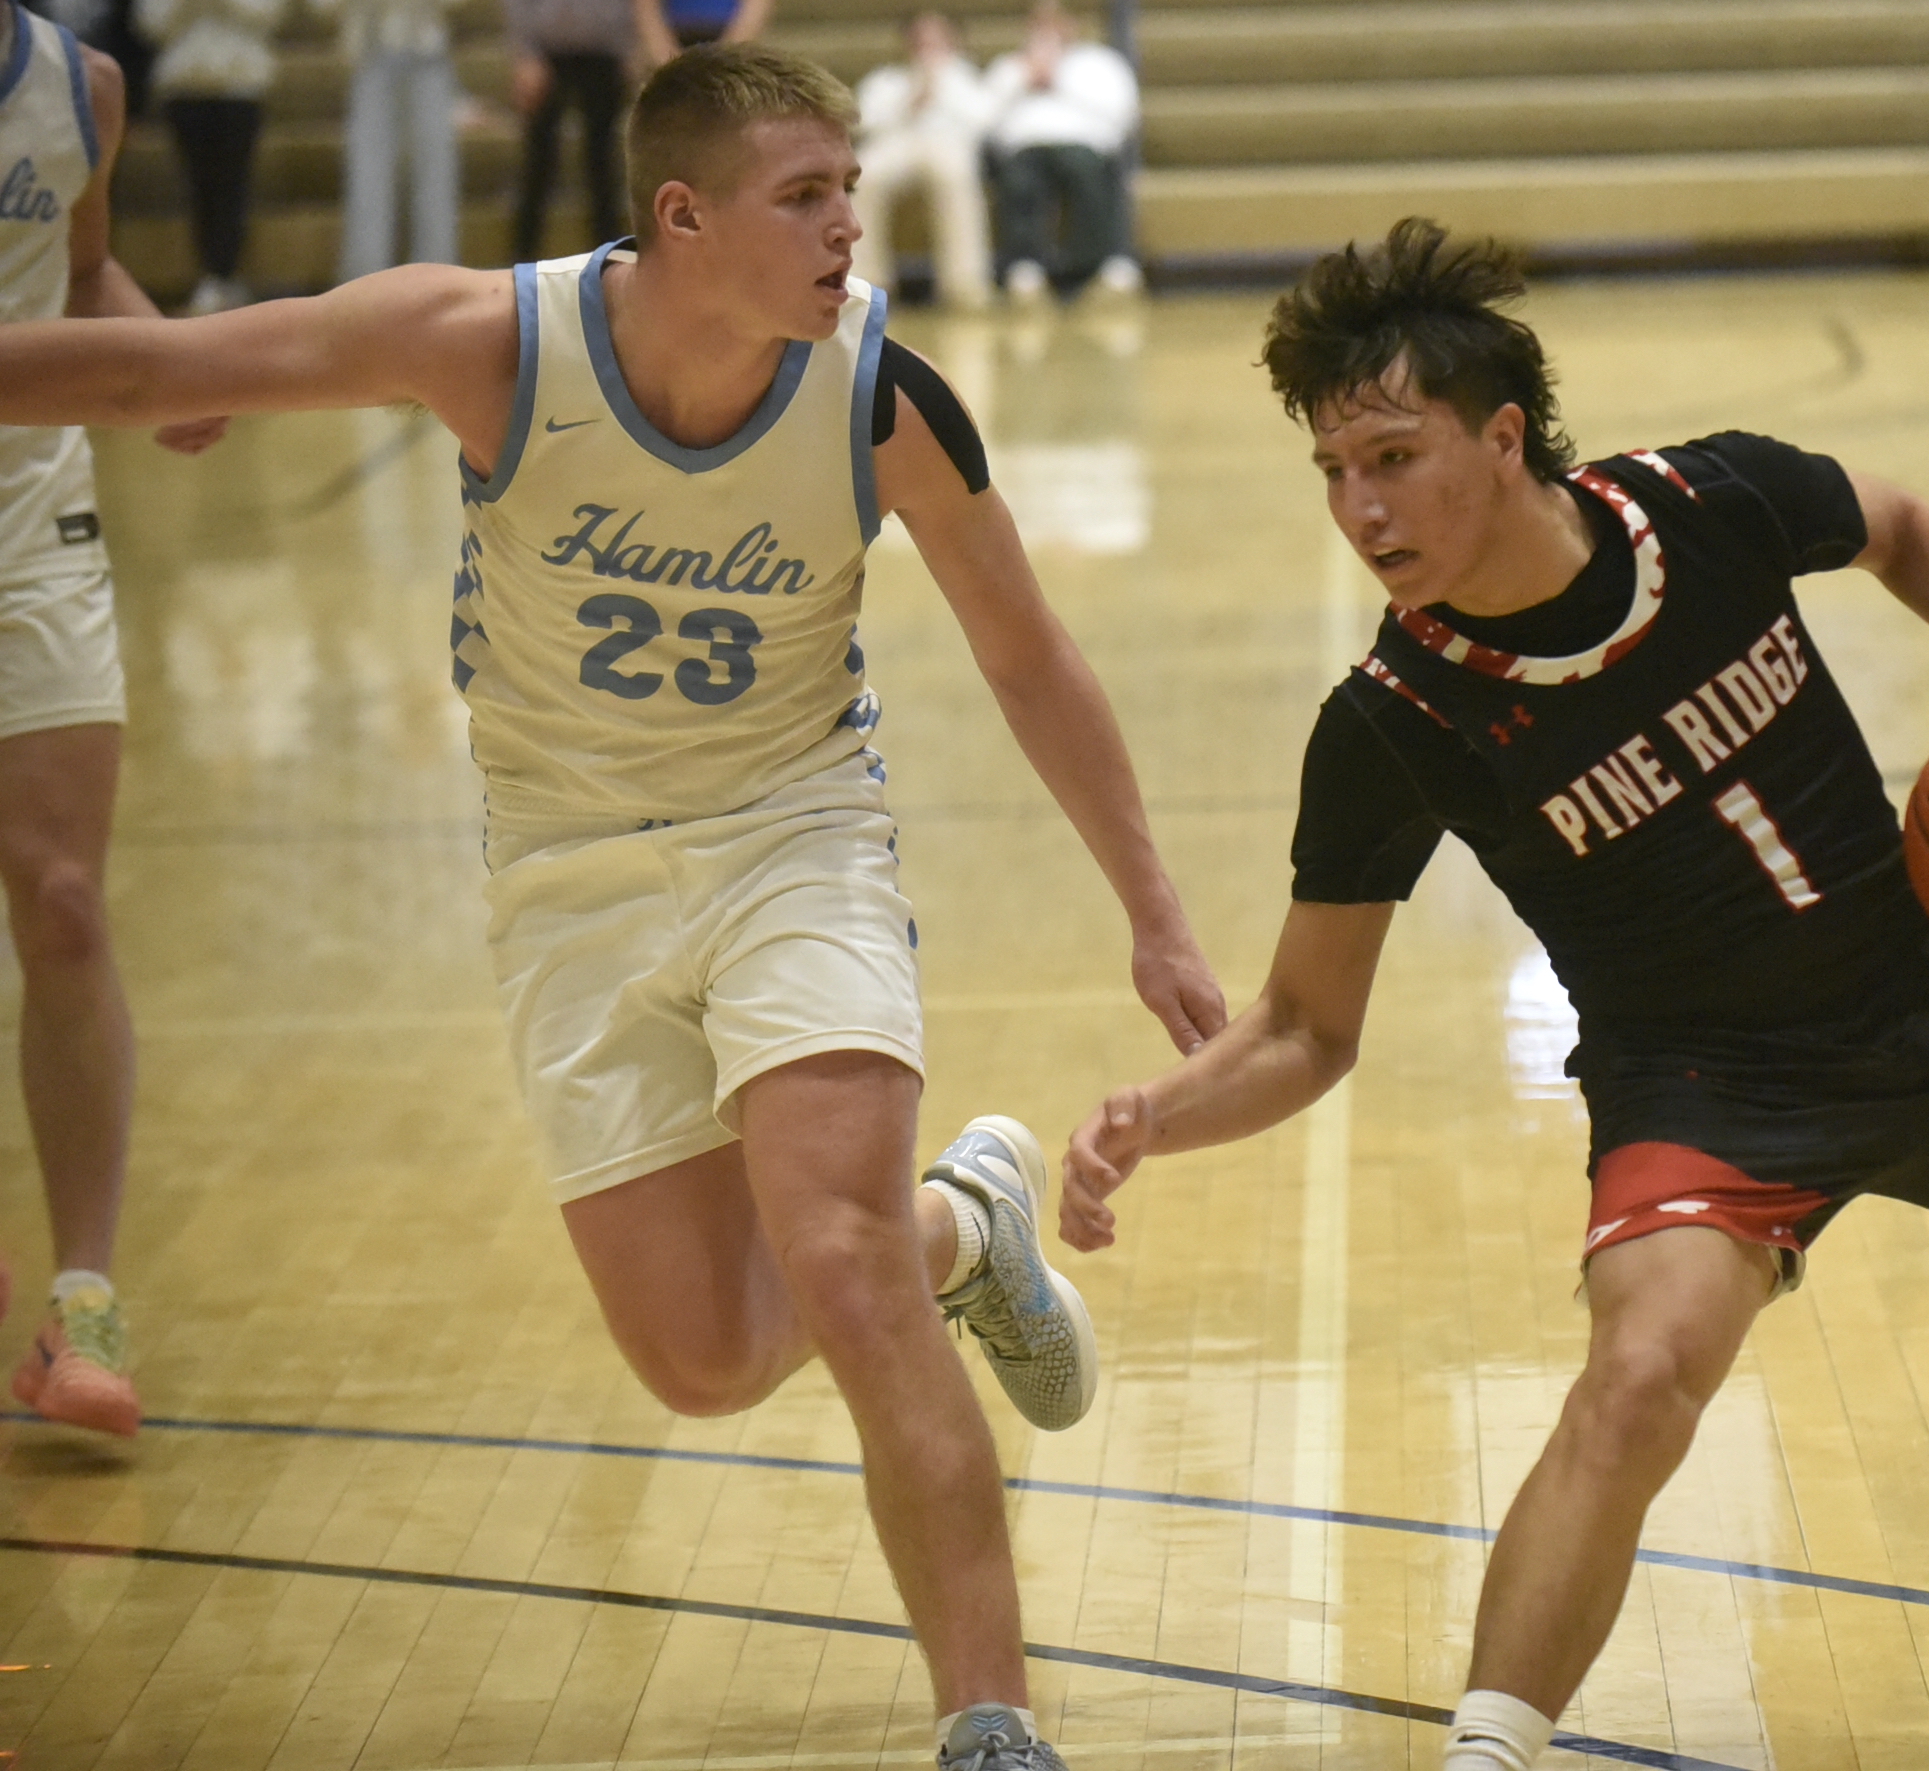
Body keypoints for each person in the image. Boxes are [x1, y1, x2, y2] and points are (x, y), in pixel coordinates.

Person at [0, 44, 1223, 1768]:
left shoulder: (878, 395)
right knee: (707, 1362)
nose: (845, 229)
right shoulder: (492, 343)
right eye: (805, 197)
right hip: (564, 871)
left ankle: (992, 1721)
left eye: (848, 192)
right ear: (683, 216)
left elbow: (1028, 657)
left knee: (845, 1266)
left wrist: (1155, 912)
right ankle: (974, 1225)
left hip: (794, 839)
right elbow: (161, 362)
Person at [1059, 218, 1929, 1771]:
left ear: (1502, 438)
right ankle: (1487, 1752)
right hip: (1709, 1093)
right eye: (1333, 471)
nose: (1360, 506)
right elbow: (1306, 1025)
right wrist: (1153, 1116)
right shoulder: (1395, 714)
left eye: (1391, 455)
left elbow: (1901, 520)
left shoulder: (1702, 502)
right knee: (1634, 1379)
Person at [0, 0, 225, 1437]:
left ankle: (82, 1296)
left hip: (29, 526)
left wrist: (174, 367)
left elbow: (78, 276)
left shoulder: (76, 88)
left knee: (68, 901)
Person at [981, 0, 1135, 303]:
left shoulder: (1100, 62)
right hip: (1024, 149)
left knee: (1086, 172)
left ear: (1072, 24)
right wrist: (1022, 79)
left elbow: (1122, 112)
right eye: (1040, 23)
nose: (1048, 29)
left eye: (1055, 21)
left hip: (1084, 145)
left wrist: (1058, 80)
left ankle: (1094, 267)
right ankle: (1025, 268)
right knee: (1019, 179)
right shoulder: (1009, 67)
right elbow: (982, 120)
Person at [136, 0, 280, 313]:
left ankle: (226, 274)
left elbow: (268, 13)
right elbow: (150, 22)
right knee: (198, 186)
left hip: (241, 85)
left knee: (234, 184)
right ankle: (208, 275)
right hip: (185, 85)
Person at [851, 10, 991, 310]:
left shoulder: (964, 77)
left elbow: (983, 122)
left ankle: (964, 287)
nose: (926, 43)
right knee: (865, 177)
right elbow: (865, 123)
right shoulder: (885, 79)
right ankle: (866, 286)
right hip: (895, 142)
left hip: (947, 144)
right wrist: (910, 101)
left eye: (935, 36)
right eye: (920, 36)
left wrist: (938, 86)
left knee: (955, 176)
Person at [315, 0, 460, 281]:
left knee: (435, 177)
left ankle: (438, 282)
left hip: (427, 52)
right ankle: (364, 283)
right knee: (368, 177)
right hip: (370, 52)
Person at [505, 0, 632, 262]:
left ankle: (610, 263)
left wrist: (630, 46)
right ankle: (523, 259)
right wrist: (525, 53)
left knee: (602, 163)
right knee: (539, 162)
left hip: (604, 51)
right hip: (547, 51)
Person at [634, 0, 764, 60]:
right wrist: (664, 53)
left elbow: (757, 6)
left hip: (729, 38)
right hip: (673, 38)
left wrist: (730, 51)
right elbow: (646, 8)